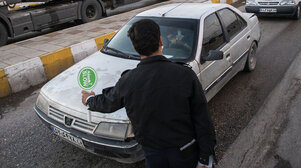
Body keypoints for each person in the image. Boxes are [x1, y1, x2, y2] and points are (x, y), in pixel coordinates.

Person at [81, 19, 216, 168]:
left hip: (152, 155)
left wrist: (89, 100)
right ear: (160, 41)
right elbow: (202, 119)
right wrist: (204, 158)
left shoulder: (128, 81)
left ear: (134, 47)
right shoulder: (185, 75)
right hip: (185, 152)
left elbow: (108, 102)